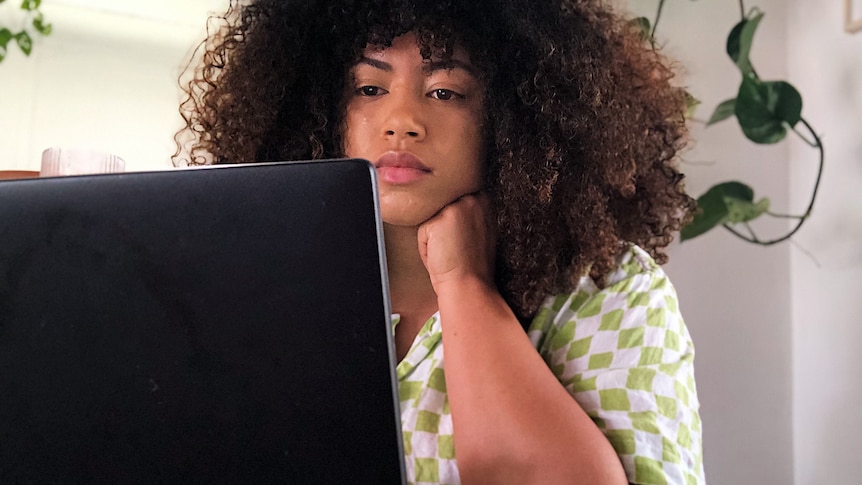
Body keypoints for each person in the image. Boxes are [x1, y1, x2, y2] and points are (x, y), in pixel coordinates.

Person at [174, 0, 705, 483]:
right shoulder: (263, 298)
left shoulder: (607, 292)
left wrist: (464, 285)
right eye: (369, 89)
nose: (401, 122)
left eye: (445, 92)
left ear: (513, 115)